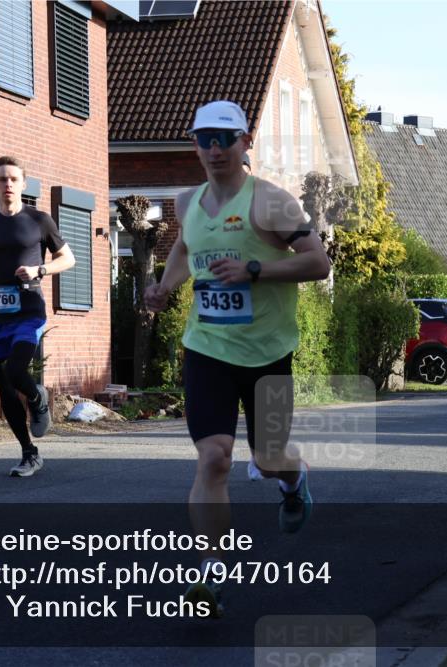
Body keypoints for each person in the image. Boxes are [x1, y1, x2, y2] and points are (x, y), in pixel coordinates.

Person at [144, 100, 330, 616]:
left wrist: (255, 269)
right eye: (205, 139)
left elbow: (318, 262)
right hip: (208, 348)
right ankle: (210, 574)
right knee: (215, 457)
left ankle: (294, 480)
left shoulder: (272, 203)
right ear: (195, 144)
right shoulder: (187, 202)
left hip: (268, 352)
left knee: (268, 458)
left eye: (225, 139)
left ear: (246, 142)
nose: (215, 149)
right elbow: (186, 249)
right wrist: (164, 286)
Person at [0, 156, 75, 476]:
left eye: (13, 179)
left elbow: (67, 259)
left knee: (16, 370)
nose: (8, 184)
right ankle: (29, 453)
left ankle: (36, 397)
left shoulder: (39, 220)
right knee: (4, 386)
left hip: (29, 307)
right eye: (2, 179)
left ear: (23, 184)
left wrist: (39, 269)